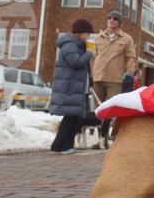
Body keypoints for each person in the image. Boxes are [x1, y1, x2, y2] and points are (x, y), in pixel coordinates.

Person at [49, 19, 95, 154]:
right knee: (69, 116)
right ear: (80, 33)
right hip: (69, 86)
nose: (89, 37)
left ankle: (68, 143)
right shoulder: (70, 45)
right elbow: (76, 62)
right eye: (87, 34)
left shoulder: (78, 45)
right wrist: (90, 53)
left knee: (75, 116)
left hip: (76, 86)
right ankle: (59, 144)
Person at [91, 10, 137, 140]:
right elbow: (92, 58)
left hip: (114, 80)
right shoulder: (97, 38)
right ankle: (99, 138)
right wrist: (89, 74)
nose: (112, 20)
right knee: (98, 111)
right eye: (109, 18)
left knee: (113, 110)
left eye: (115, 18)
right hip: (97, 78)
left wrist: (129, 75)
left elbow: (131, 58)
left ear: (119, 23)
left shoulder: (127, 39)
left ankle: (110, 135)